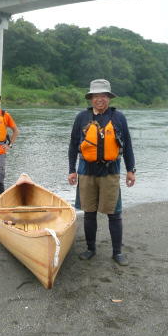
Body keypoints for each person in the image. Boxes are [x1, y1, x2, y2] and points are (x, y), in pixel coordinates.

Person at [68, 79, 136, 266]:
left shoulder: (119, 117)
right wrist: (71, 170)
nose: (100, 99)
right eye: (96, 96)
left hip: (111, 172)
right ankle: (91, 249)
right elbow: (73, 145)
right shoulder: (82, 117)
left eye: (103, 96)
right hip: (86, 171)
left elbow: (128, 145)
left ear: (108, 98)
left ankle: (117, 252)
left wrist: (131, 170)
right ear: (91, 99)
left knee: (114, 213)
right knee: (89, 213)